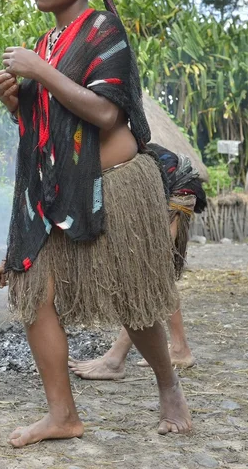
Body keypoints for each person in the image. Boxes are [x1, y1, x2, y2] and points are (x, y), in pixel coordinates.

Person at [0, 0, 192, 446]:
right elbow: (48, 129)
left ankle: (169, 388)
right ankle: (63, 416)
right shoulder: (44, 45)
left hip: (116, 186)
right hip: (56, 191)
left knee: (134, 297)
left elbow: (105, 111)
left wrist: (39, 72)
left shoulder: (103, 29)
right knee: (34, 292)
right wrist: (17, 101)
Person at [69, 143, 207, 380]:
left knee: (149, 273)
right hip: (161, 188)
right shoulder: (87, 163)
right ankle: (179, 348)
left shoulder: (104, 157)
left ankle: (114, 360)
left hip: (177, 187)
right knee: (155, 272)